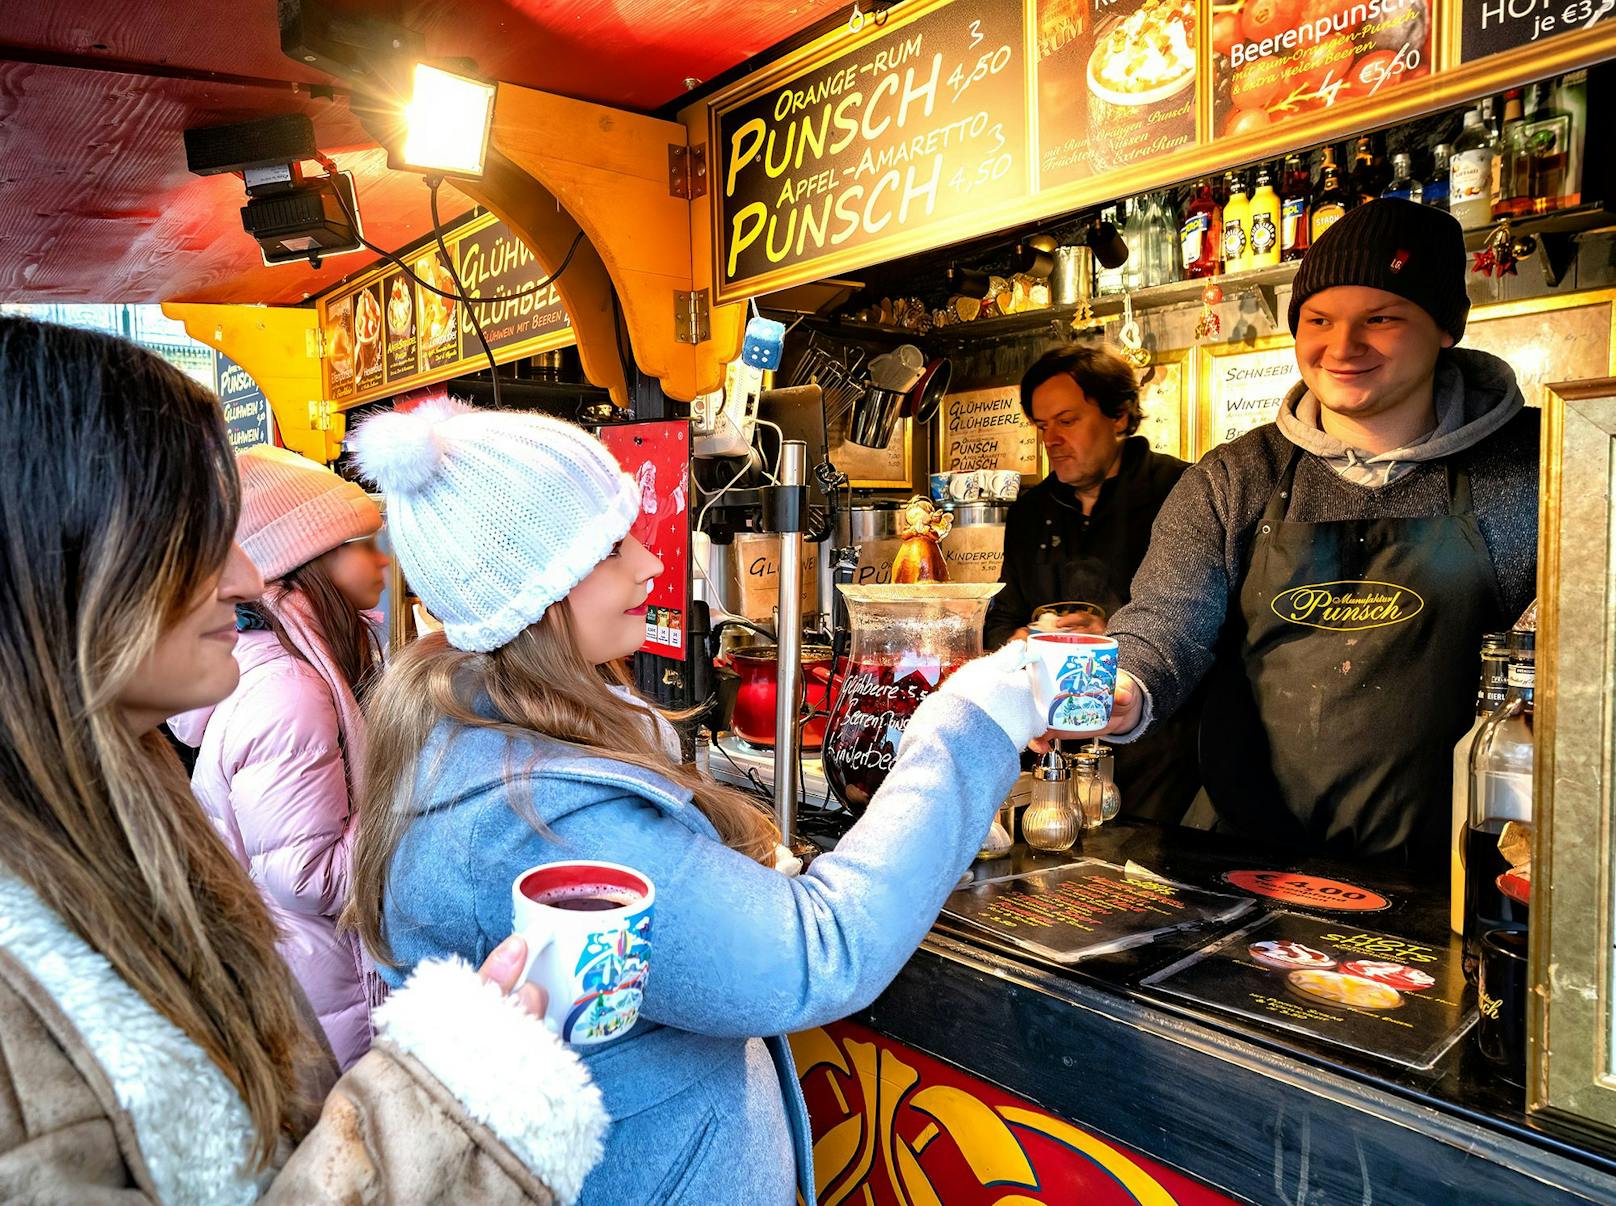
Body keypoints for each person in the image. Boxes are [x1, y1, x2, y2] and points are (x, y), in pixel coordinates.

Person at [343, 396, 1047, 1205]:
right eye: (611, 547)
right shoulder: (533, 816)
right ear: (533, 590)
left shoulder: (477, 743)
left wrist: (721, 870)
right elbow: (818, 954)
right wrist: (977, 718)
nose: (648, 564)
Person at [0, 317, 605, 1201]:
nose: (246, 579)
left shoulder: (119, 820)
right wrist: (443, 1100)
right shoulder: (22, 977)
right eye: (193, 532)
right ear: (64, 558)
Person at [1099, 198, 1538, 870]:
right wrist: (1124, 688)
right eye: (1319, 319)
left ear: (1445, 328)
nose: (1342, 346)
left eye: (1381, 318)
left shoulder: (1532, 466)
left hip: (1460, 874)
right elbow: (1166, 621)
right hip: (1249, 859)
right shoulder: (1238, 477)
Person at [169, 445, 391, 1070]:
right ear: (304, 563)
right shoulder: (290, 689)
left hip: (310, 978)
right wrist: (413, 798)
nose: (380, 558)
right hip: (325, 993)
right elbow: (306, 877)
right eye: (360, 543)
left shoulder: (278, 669)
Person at [983, 344, 1201, 824]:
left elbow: (1203, 625)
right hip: (1052, 751)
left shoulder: (1184, 492)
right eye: (1041, 426)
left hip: (1161, 754)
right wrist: (1019, 641)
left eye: (1067, 420)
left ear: (1119, 417)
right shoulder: (1031, 511)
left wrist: (1112, 635)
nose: (1051, 440)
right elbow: (1001, 616)